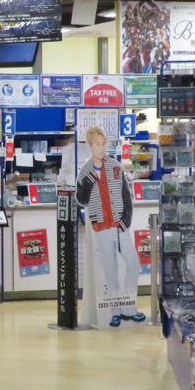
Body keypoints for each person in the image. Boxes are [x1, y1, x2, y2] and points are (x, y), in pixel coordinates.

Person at [76, 126, 146, 326]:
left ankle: (130, 308)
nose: (101, 148)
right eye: (97, 144)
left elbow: (126, 195)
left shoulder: (115, 166)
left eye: (103, 144)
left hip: (119, 225)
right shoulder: (85, 172)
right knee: (110, 269)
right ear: (90, 145)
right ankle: (116, 311)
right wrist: (88, 183)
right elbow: (81, 200)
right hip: (102, 228)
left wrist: (126, 220)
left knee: (133, 264)